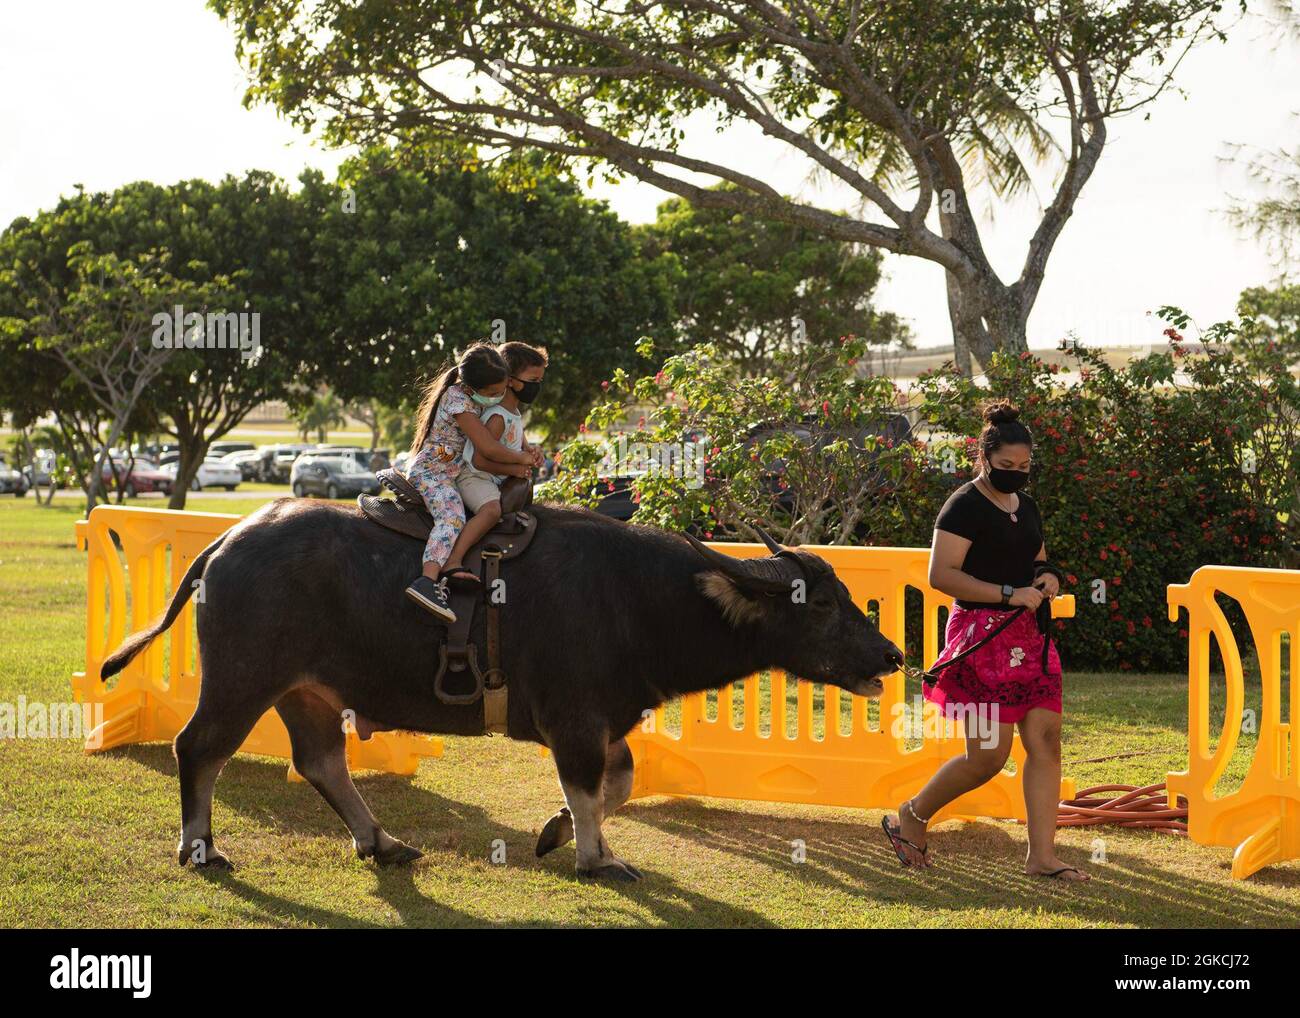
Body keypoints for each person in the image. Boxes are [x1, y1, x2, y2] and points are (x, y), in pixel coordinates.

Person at [881, 399, 1086, 881]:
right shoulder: (963, 506)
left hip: (1029, 636)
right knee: (988, 758)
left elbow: (1037, 558)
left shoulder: (1027, 506)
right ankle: (912, 813)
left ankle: (1042, 858)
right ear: (985, 458)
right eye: (1006, 466)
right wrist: (1008, 594)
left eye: (1024, 466)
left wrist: (1048, 577)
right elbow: (941, 576)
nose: (1016, 474)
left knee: (1046, 740)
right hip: (981, 637)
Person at [403, 344, 535, 623]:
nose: (498, 397)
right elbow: (486, 447)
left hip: (451, 472)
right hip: (433, 473)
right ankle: (427, 581)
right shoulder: (458, 402)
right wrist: (520, 458)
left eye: (501, 391)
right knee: (451, 517)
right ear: (472, 386)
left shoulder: (476, 399)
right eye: (492, 393)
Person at [450, 342, 548, 582]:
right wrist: (514, 468)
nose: (537, 386)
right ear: (511, 380)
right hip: (475, 477)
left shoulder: (513, 414)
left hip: (490, 477)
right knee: (492, 511)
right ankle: (454, 560)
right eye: (533, 380)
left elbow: (520, 445)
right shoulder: (497, 417)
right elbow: (479, 460)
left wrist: (532, 451)